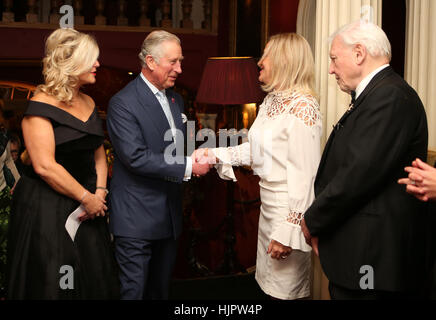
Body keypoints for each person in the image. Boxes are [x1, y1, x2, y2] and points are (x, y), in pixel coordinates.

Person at [301, 21, 429, 299]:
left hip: (374, 258)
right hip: (363, 252)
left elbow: (358, 174)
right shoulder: (378, 94)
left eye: (334, 58)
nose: (330, 69)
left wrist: (312, 220)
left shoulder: (390, 96)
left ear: (359, 53)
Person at [197, 33, 322, 300]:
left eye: (266, 55)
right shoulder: (271, 102)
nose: (260, 62)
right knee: (266, 290)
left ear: (285, 61)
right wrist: (214, 153)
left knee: (284, 294)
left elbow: (305, 175)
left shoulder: (304, 107)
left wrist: (289, 233)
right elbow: (255, 151)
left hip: (288, 215)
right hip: (268, 212)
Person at [6, 28, 119, 299]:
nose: (98, 65)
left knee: (95, 278)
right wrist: (86, 197)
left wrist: (100, 193)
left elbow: (98, 154)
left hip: (89, 203)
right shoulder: (39, 108)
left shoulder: (90, 102)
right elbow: (45, 166)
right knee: (53, 281)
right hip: (47, 206)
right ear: (71, 64)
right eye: (91, 59)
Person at [106, 30, 210, 300]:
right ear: (151, 62)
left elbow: (184, 145)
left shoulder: (177, 99)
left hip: (169, 216)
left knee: (160, 292)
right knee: (134, 293)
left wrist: (208, 154)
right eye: (173, 62)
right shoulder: (122, 103)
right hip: (136, 219)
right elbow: (136, 157)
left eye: (181, 61)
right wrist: (188, 166)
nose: (180, 69)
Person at [0, 107, 20, 296]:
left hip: (3, 196)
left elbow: (9, 162)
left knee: (5, 243)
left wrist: (19, 184)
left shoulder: (3, 137)